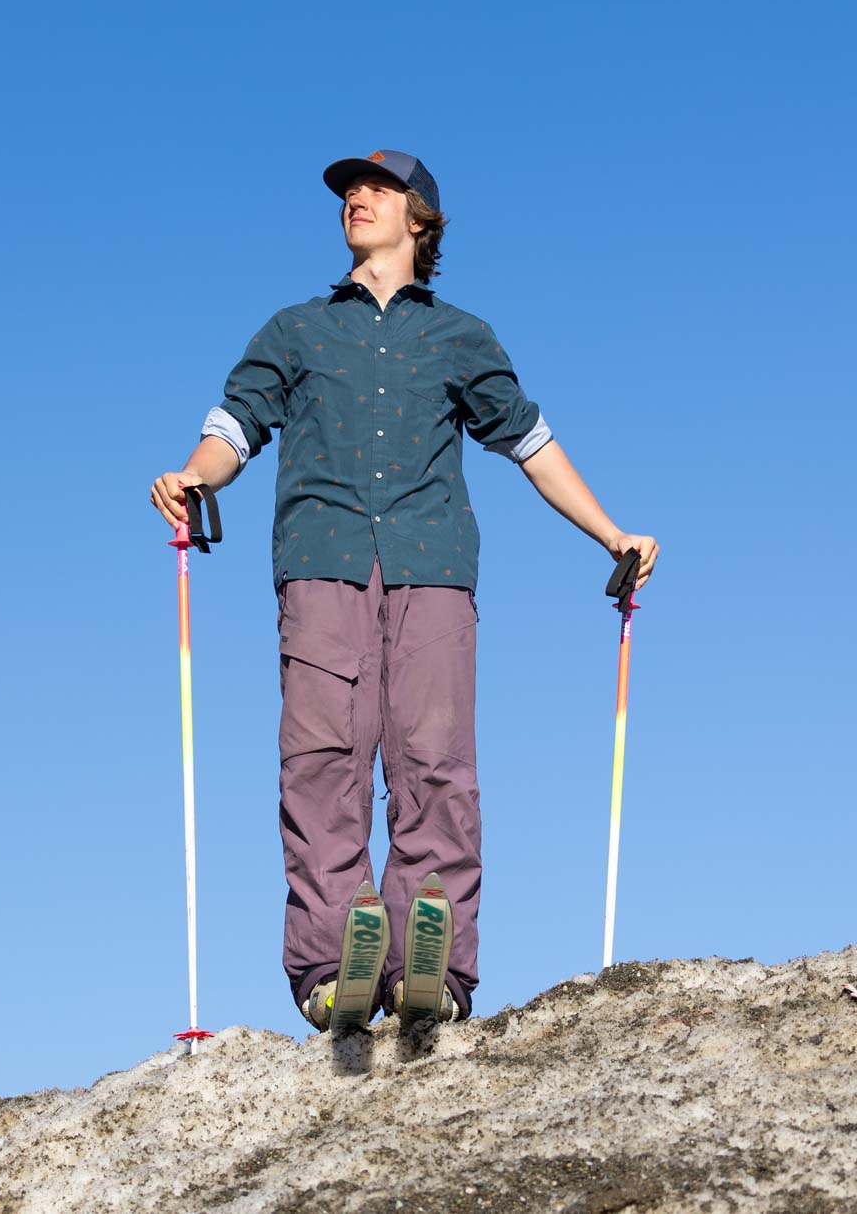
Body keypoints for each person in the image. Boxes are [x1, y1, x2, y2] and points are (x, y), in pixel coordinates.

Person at [151, 148, 658, 1031]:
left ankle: (434, 978)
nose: (356, 197)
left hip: (433, 570)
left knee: (436, 768)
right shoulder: (296, 330)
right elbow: (235, 423)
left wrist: (611, 532)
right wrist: (196, 476)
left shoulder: (462, 336)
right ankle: (330, 970)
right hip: (321, 562)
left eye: (376, 188)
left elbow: (530, 444)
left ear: (419, 218)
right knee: (320, 766)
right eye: (349, 190)